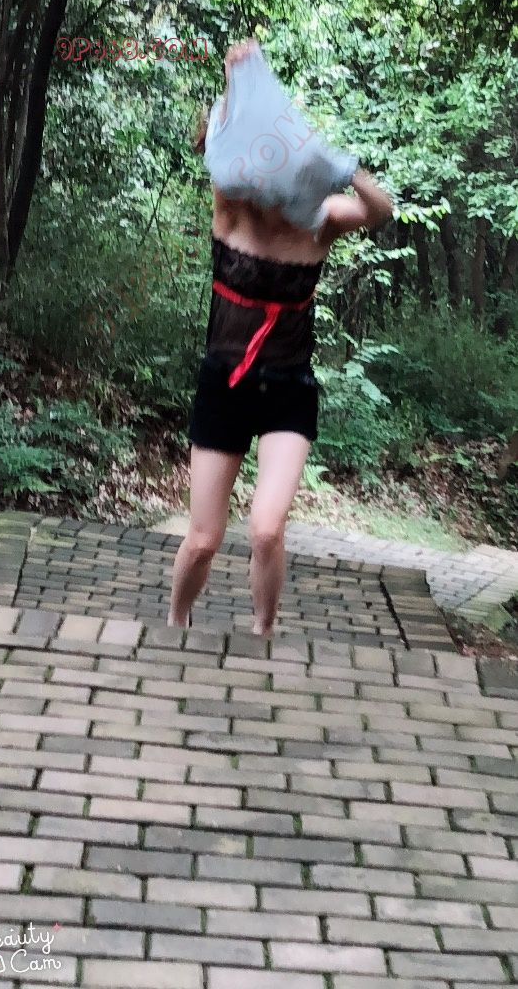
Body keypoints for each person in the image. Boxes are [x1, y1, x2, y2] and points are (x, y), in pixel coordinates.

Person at [167, 39, 393, 637]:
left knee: (267, 529)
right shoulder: (233, 209)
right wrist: (238, 82)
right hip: (225, 383)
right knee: (204, 538)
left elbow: (381, 210)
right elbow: (224, 144)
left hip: (289, 388)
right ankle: (175, 619)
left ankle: (263, 631)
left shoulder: (323, 220)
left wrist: (344, 167)